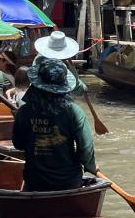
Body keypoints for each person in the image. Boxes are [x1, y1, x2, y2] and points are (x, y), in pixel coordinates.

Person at [11, 57, 95, 191]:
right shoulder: (74, 111)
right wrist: (90, 166)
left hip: (35, 181)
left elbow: (18, 144)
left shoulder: (24, 112)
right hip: (69, 180)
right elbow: (86, 148)